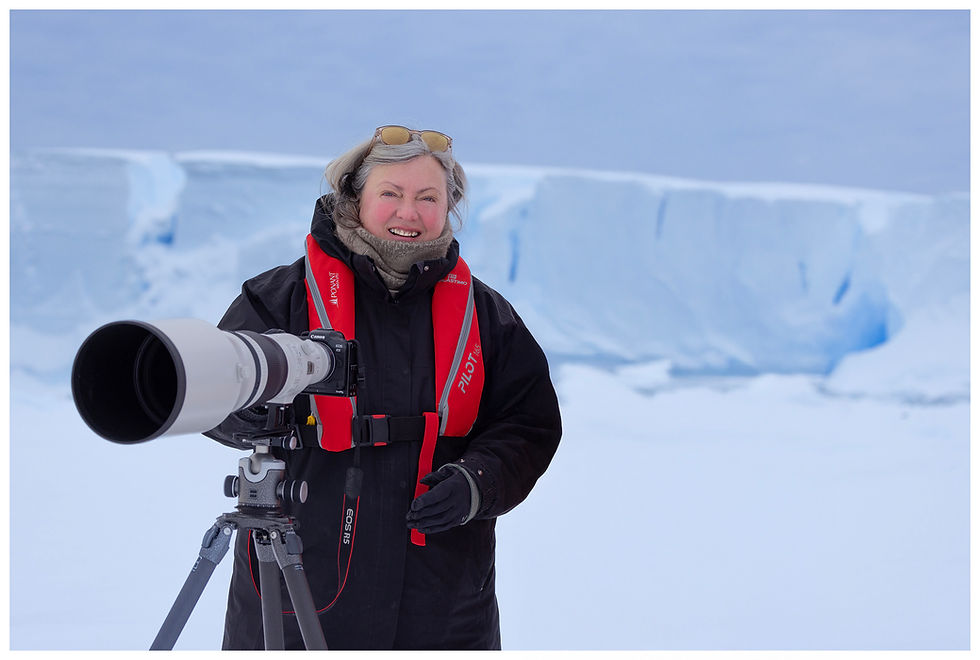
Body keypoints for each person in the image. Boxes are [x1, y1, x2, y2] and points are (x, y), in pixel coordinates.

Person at [205, 125, 562, 650]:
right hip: (299, 570)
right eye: (390, 194)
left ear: (449, 206)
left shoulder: (488, 318)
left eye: (427, 197)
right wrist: (251, 415)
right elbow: (217, 388)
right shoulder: (280, 299)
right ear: (355, 197)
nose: (408, 213)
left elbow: (528, 424)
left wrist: (478, 482)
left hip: (441, 593)